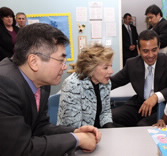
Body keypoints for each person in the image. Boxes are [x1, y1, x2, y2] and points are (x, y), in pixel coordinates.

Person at [0, 23, 102, 156]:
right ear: (34, 61)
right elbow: (19, 150)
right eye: (61, 60)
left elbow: (40, 127)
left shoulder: (41, 81)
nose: (64, 67)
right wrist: (77, 140)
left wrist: (74, 132)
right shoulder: (4, 84)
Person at [111, 29, 167, 127]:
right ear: (138, 50)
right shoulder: (131, 64)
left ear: (159, 47)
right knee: (110, 117)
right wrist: (91, 84)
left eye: (154, 50)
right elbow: (114, 82)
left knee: (143, 126)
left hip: (162, 107)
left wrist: (156, 97)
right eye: (145, 51)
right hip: (139, 104)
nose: (151, 55)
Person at [57, 44, 115, 129]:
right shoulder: (72, 85)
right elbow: (72, 126)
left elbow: (105, 112)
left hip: (98, 132)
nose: (111, 71)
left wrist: (110, 129)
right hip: (77, 135)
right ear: (91, 68)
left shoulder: (106, 82)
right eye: (106, 68)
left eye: (111, 66)